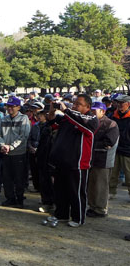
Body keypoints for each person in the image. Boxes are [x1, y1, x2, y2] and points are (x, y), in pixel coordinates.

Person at [48, 94, 98, 227]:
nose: (75, 106)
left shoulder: (91, 118)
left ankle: (78, 218)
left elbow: (83, 123)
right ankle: (62, 214)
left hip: (78, 162)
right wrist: (52, 110)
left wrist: (66, 110)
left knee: (76, 192)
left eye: (78, 104)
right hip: (61, 161)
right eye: (74, 103)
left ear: (87, 106)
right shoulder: (68, 117)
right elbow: (52, 123)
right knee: (60, 190)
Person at [0, 96, 31, 208]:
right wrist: (2, 145)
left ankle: (19, 199)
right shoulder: (4, 119)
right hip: (5, 153)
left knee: (19, 178)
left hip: (18, 154)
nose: (10, 108)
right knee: (7, 178)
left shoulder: (23, 118)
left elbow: (23, 136)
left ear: (19, 107)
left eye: (13, 106)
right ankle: (10, 198)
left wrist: (10, 147)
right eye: (8, 106)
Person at [87, 102, 119, 218]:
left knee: (101, 185)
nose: (93, 113)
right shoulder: (90, 122)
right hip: (91, 159)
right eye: (92, 111)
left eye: (95, 111)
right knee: (91, 184)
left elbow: (109, 142)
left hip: (103, 160)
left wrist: (90, 144)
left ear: (103, 111)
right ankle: (92, 206)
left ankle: (100, 209)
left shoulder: (111, 124)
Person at [109, 94, 130, 199]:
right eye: (118, 103)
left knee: (129, 175)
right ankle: (111, 192)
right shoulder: (112, 116)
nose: (119, 105)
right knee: (112, 173)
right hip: (115, 148)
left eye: (122, 103)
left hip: (128, 150)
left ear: (128, 104)